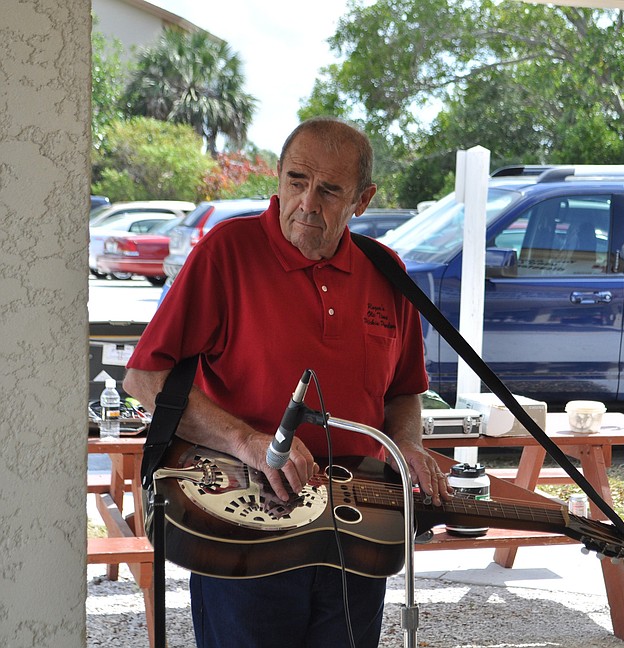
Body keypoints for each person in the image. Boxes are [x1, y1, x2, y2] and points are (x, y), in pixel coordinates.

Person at [123, 117, 452, 648]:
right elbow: (145, 377)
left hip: (356, 526)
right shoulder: (227, 251)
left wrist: (407, 443)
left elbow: (403, 390)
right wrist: (247, 442)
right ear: (277, 177)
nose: (307, 203)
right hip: (243, 525)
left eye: (329, 190)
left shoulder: (386, 270)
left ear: (362, 200)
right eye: (297, 181)